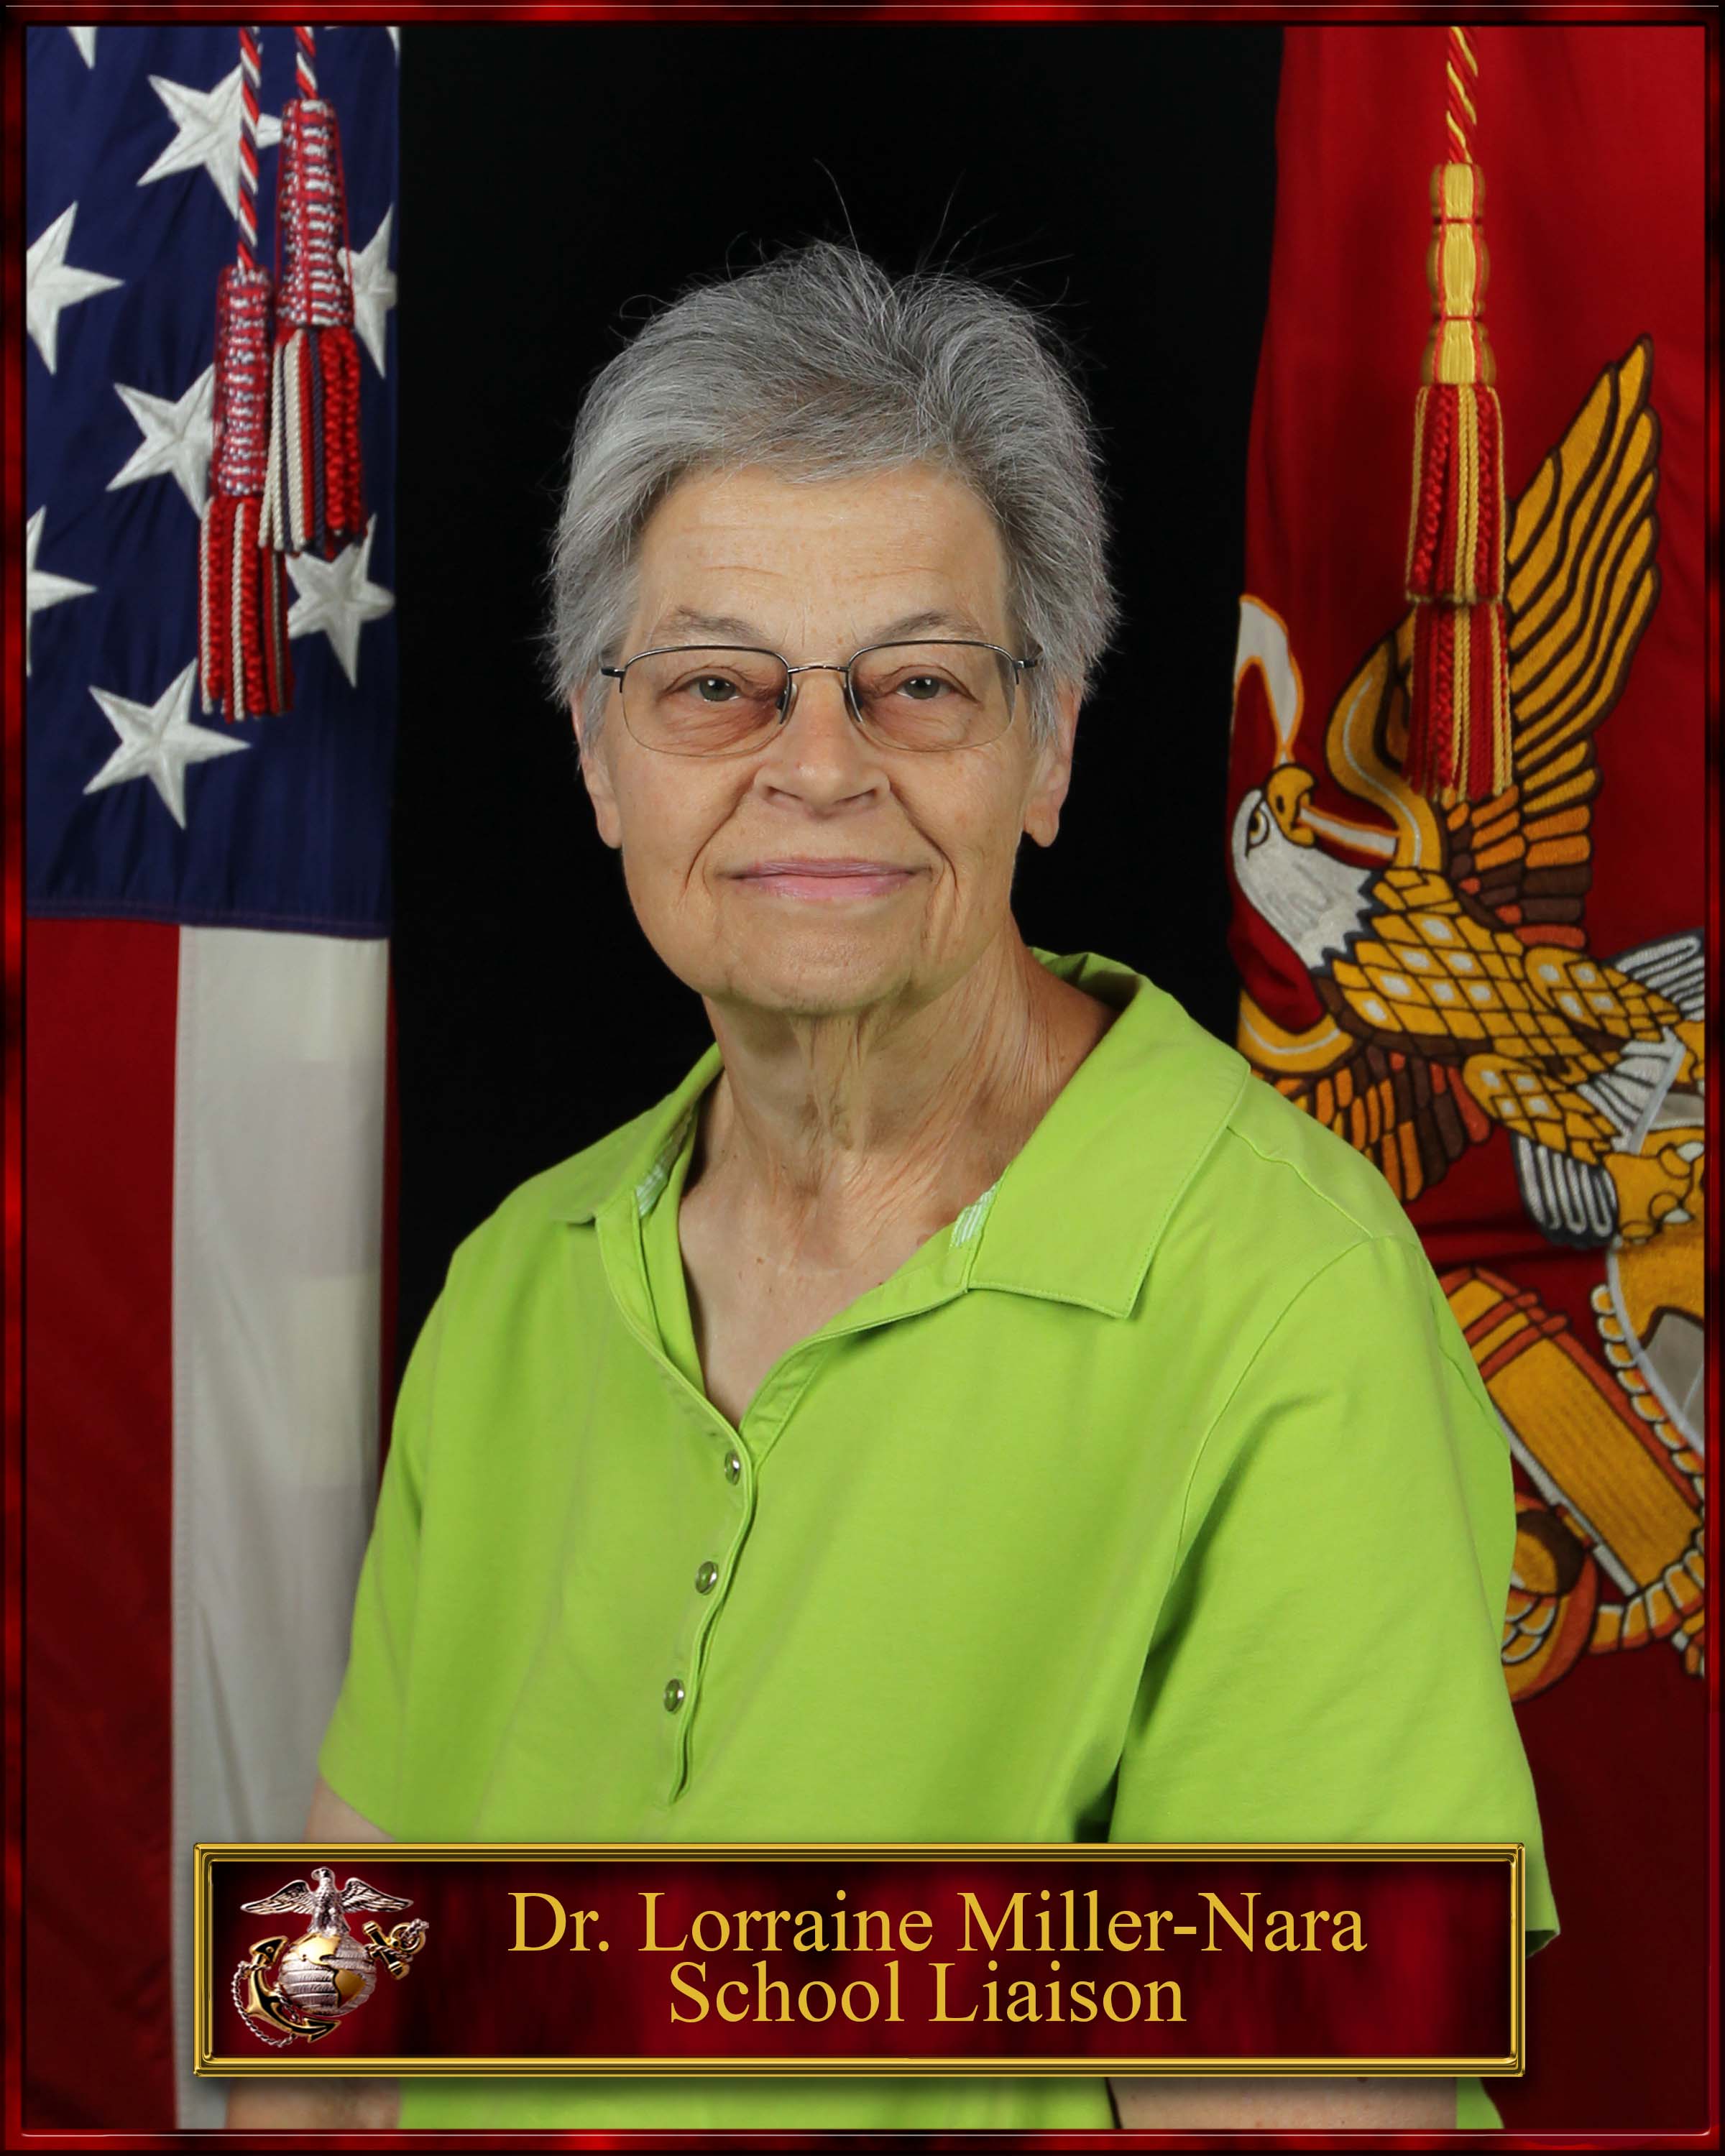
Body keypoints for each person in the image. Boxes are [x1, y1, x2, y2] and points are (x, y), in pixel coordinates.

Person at [227, 239, 1557, 2134]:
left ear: (1051, 744)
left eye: (916, 684)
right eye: (716, 687)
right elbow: (335, 1980)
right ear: (602, 757)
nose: (819, 770)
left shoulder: (1285, 1300)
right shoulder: (521, 1280)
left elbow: (1307, 2115)